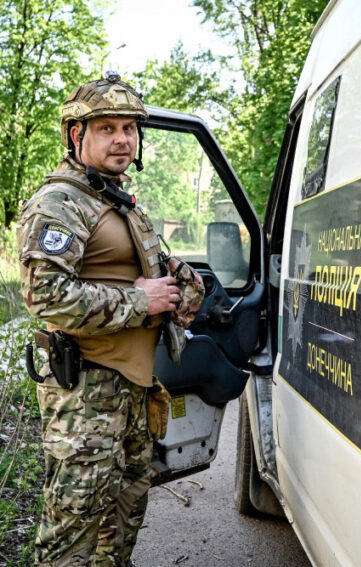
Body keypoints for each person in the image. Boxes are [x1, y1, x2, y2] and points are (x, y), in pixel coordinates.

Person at [17, 73, 203, 566]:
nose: (122, 138)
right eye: (107, 129)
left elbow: (139, 266)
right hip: (85, 395)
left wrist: (178, 282)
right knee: (71, 534)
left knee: (120, 526)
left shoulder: (114, 199)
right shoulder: (60, 203)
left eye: (129, 128)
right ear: (77, 136)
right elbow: (46, 297)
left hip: (132, 391)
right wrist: (139, 301)